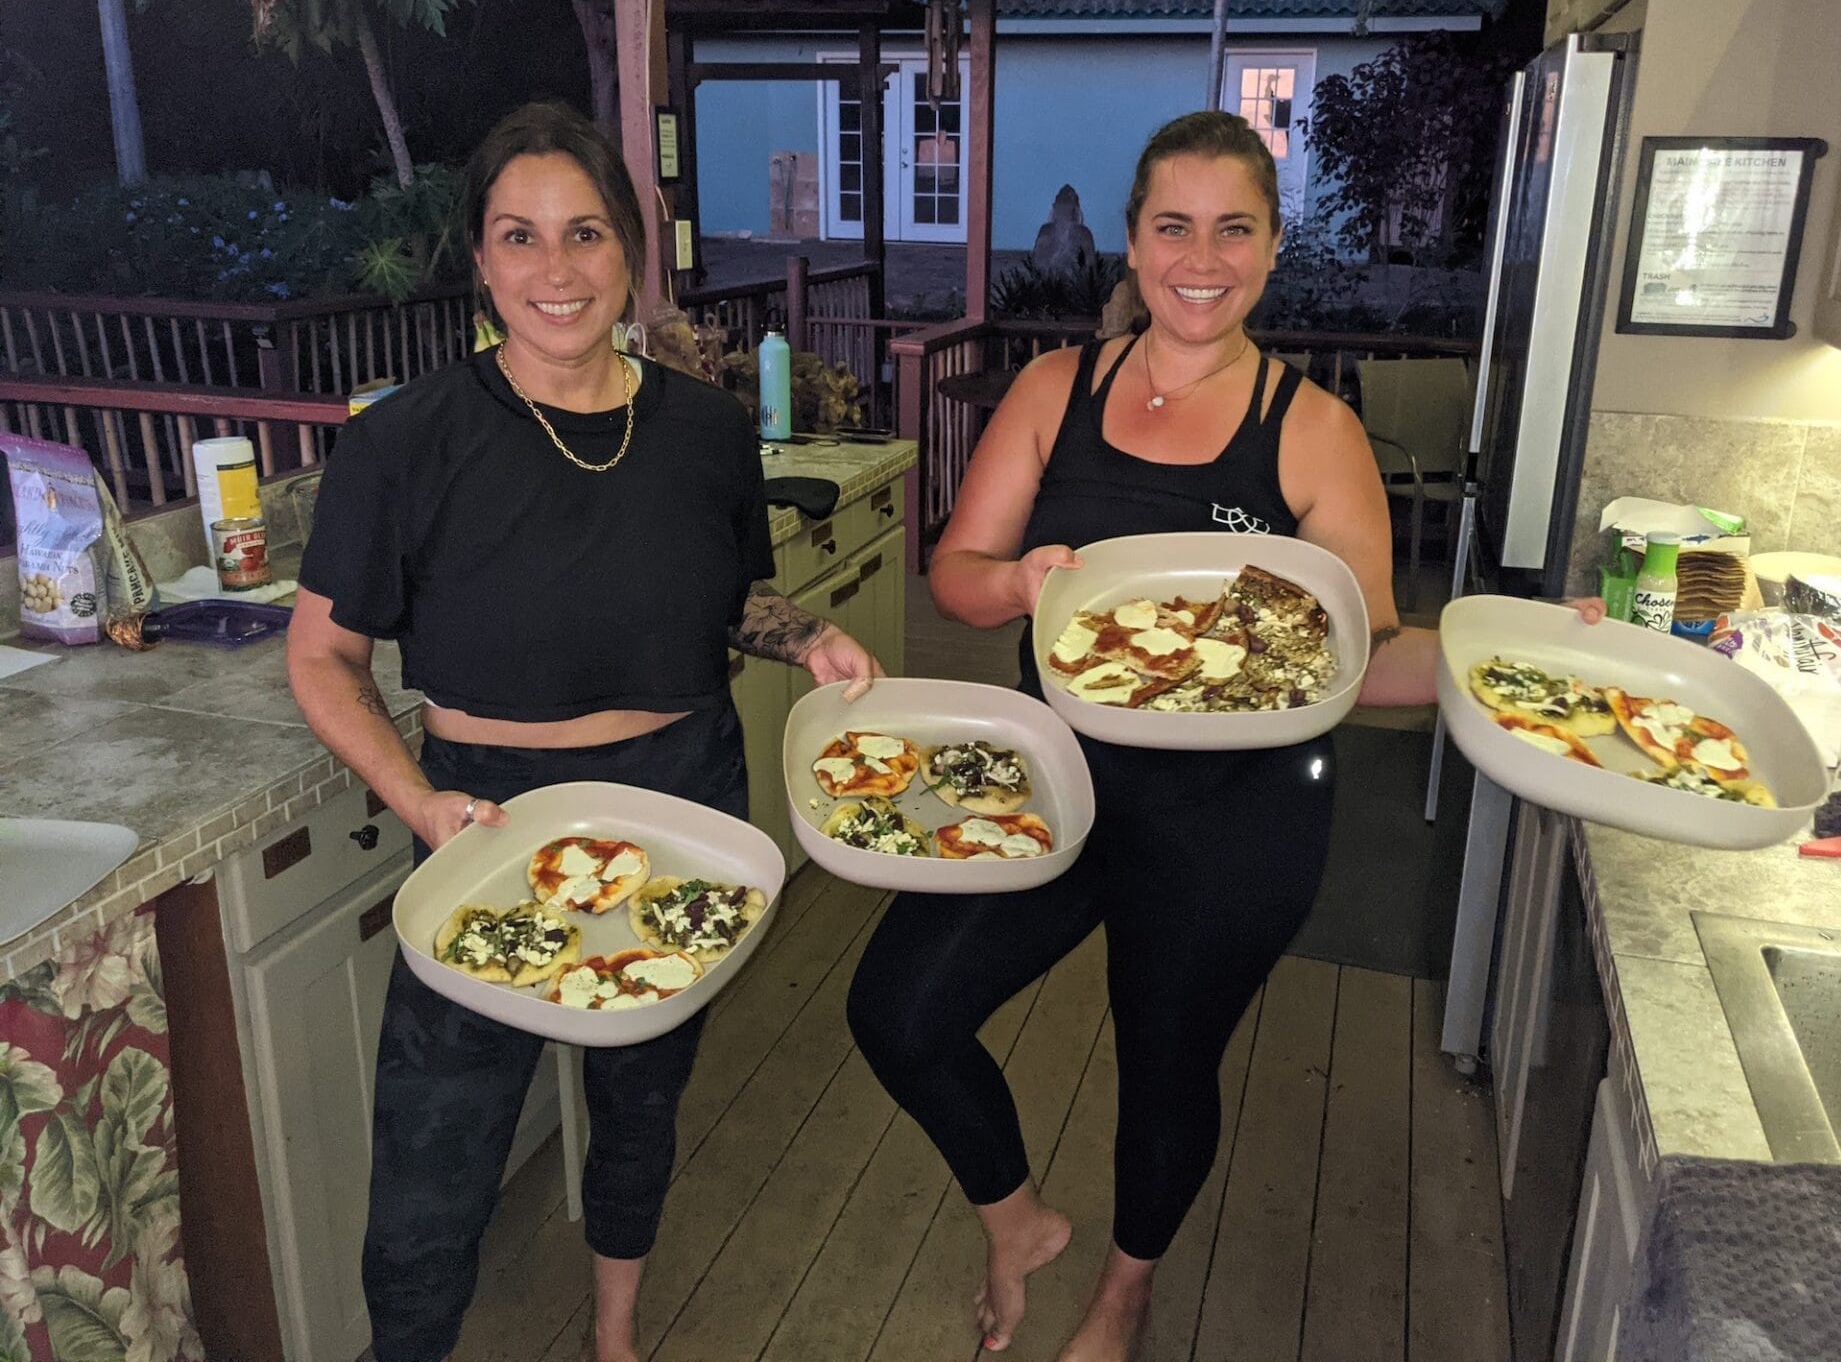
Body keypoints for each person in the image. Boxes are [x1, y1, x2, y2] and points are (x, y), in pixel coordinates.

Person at [843, 109, 1443, 1362]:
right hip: (1049, 783)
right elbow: (957, 570)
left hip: (1238, 818)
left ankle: (1125, 1294)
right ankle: (1019, 1225)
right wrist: (1019, 587)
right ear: (1132, 241)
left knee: (1165, 1070)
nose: (1201, 257)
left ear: (1273, 250)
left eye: (1235, 229)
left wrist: (1513, 668)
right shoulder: (1058, 390)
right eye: (1174, 226)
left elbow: (1364, 653)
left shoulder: (1314, 430)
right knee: (899, 1011)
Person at [287, 100, 881, 1362]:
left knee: (641, 1100)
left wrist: (805, 639)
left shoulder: (710, 429)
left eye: (587, 234)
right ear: (484, 259)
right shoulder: (403, 441)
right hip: (483, 816)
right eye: (520, 237)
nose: (556, 271)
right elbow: (322, 658)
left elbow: (728, 598)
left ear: (632, 254)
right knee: (435, 1152)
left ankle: (615, 1338)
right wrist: (420, 804)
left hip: (679, 795)